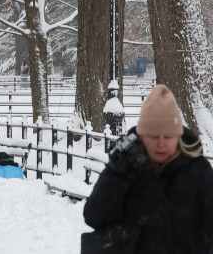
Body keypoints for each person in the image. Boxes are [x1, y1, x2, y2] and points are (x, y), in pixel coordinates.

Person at [82, 84, 213, 253]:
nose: (160, 143)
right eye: (153, 136)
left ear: (178, 135)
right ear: (142, 136)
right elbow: (94, 216)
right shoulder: (126, 166)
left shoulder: (197, 170)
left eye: (168, 136)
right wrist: (117, 171)